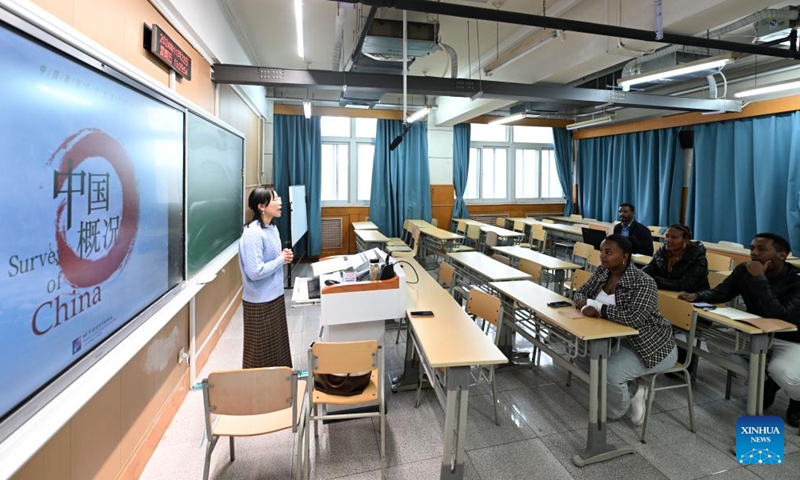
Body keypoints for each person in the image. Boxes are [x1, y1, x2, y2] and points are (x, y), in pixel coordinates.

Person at [678, 233, 800, 427]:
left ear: (782, 255)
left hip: (789, 338)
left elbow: (781, 315)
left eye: (761, 249)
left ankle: (796, 400)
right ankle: (765, 378)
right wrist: (697, 295)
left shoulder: (796, 280)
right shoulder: (744, 270)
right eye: (752, 248)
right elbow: (722, 292)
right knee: (715, 342)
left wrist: (760, 279)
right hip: (754, 332)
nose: (754, 253)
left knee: (785, 373)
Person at [574, 234, 677, 425]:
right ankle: (635, 391)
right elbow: (580, 292)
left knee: (609, 373)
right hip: (615, 339)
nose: (602, 256)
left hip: (650, 345)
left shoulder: (643, 282)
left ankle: (614, 412)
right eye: (602, 251)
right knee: (582, 359)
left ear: (625, 256)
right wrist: (583, 305)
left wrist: (596, 307)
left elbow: (634, 319)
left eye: (609, 252)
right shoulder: (602, 272)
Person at [238, 185, 294, 369]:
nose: (280, 202)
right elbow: (255, 272)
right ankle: (257, 393)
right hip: (260, 302)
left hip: (275, 296)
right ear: (262, 206)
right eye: (275, 199)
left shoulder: (271, 228)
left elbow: (272, 258)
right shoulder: (253, 233)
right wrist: (280, 260)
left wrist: (281, 255)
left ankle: (279, 387)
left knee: (277, 349)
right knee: (259, 354)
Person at [642, 224, 710, 293]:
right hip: (668, 291)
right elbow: (650, 268)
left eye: (674, 237)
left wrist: (658, 282)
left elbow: (687, 285)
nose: (668, 240)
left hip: (694, 296)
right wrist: (640, 276)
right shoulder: (662, 251)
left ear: (685, 240)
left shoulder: (698, 257)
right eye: (667, 236)